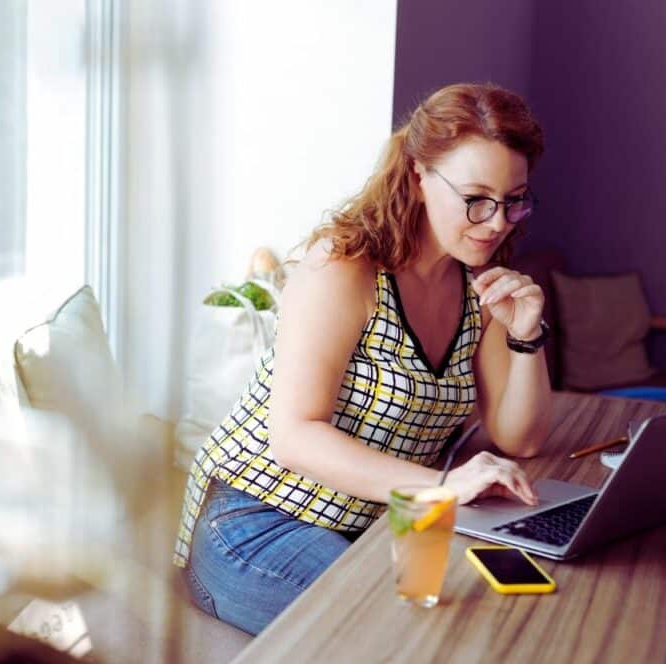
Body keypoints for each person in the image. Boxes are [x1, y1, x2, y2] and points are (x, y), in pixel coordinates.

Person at [173, 82, 552, 635]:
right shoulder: (344, 265)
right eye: (476, 198)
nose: (497, 221)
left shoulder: (479, 287)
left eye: (514, 200)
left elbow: (523, 439)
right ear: (420, 173)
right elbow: (295, 435)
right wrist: (441, 487)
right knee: (406, 630)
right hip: (255, 522)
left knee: (498, 615)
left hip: (374, 523)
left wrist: (526, 335)